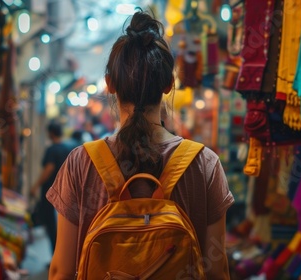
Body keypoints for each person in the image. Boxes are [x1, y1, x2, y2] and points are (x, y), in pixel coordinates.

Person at [46, 11, 234, 279]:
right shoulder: (205, 164)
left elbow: (60, 271)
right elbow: (217, 271)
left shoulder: (81, 163)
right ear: (169, 85)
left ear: (109, 85)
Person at [30, 119, 74, 255]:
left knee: (51, 225)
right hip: (66, 191)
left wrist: (36, 185)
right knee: (64, 226)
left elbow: (49, 168)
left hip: (52, 192)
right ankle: (64, 256)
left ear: (51, 133)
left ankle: (56, 256)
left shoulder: (51, 150)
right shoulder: (68, 148)